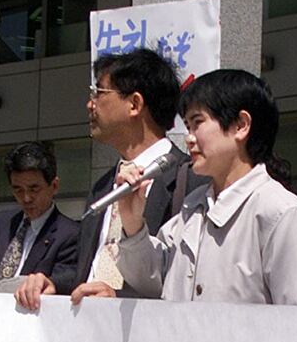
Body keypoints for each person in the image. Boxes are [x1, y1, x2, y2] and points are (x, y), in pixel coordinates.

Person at [114, 69, 297, 307]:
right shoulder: (192, 208)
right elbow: (151, 282)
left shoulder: (279, 212)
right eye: (187, 127)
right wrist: (132, 221)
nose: (189, 138)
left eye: (197, 122)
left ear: (241, 125)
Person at [14, 48, 201, 309]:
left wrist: (118, 300)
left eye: (99, 93)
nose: (90, 104)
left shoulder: (190, 181)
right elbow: (90, 265)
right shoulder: (104, 186)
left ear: (135, 104)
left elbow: (183, 281)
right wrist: (55, 283)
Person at [0, 142, 78, 290]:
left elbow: (62, 282)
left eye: (34, 189)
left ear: (54, 186)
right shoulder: (1, 223)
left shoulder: (70, 234)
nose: (26, 198)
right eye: (18, 190)